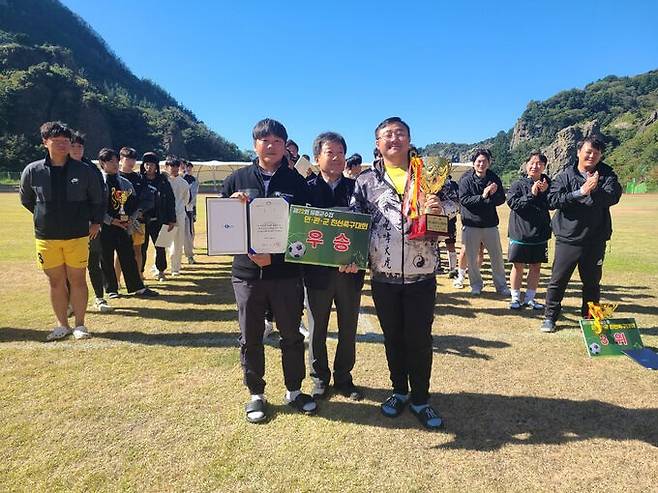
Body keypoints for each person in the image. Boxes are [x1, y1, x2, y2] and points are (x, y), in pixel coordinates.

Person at [351, 117, 445, 430]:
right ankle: (399, 391)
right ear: (377, 144)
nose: (394, 139)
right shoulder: (365, 180)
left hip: (422, 273)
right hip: (383, 275)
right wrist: (351, 257)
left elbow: (455, 202)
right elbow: (355, 221)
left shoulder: (429, 172)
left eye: (400, 133)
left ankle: (421, 398)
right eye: (387, 135)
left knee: (419, 338)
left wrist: (440, 206)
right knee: (393, 337)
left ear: (409, 139)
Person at [220, 118, 314, 424]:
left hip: (286, 274)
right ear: (254, 144)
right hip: (247, 273)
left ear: (285, 145)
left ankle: (294, 389)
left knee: (291, 334)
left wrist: (274, 258)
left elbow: (304, 228)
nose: (270, 146)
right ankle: (256, 394)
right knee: (250, 336)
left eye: (276, 141)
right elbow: (225, 227)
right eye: (264, 140)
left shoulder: (298, 183)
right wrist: (233, 207)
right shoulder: (237, 179)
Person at [19, 121, 103, 340]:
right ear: (45, 143)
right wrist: (43, 216)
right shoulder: (33, 170)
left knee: (77, 279)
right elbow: (27, 199)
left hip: (77, 234)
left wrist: (95, 221)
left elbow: (97, 199)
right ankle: (61, 325)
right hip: (47, 237)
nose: (63, 145)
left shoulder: (83, 170)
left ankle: (80, 325)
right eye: (57, 142)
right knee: (55, 282)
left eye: (66, 141)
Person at [305, 132, 364, 401]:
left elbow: (365, 228)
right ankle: (319, 378)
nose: (337, 157)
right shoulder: (304, 188)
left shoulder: (356, 189)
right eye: (330, 152)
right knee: (317, 328)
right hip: (315, 274)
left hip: (349, 273)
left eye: (341, 152)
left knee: (348, 327)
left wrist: (358, 259)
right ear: (317, 157)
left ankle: (343, 377)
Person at [540, 137, 622, 332]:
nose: (591, 155)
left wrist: (595, 189)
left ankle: (590, 319)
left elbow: (613, 197)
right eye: (588, 151)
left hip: (595, 239)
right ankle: (550, 318)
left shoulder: (607, 175)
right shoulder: (565, 176)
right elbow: (552, 200)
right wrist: (580, 192)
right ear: (578, 152)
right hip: (568, 239)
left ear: (600, 155)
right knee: (558, 281)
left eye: (596, 152)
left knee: (592, 283)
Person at [97, 148, 158, 299]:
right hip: (105, 227)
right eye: (110, 161)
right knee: (106, 258)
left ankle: (137, 287)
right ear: (102, 163)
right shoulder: (98, 182)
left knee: (128, 256)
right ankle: (111, 289)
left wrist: (133, 217)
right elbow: (94, 206)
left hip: (124, 226)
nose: (115, 164)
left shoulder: (125, 182)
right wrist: (111, 220)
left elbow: (136, 203)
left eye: (116, 160)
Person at [69, 131, 111, 313]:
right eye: (73, 146)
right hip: (67, 227)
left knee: (94, 262)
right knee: (69, 266)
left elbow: (101, 198)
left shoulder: (91, 169)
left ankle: (99, 298)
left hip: (91, 226)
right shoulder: (60, 167)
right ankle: (70, 303)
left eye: (80, 146)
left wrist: (97, 222)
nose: (77, 149)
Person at [458, 148, 510, 295]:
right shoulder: (466, 179)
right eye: (478, 161)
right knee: (472, 258)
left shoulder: (494, 178)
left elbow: (501, 199)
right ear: (473, 163)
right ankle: (475, 285)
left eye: (484, 161)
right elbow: (464, 200)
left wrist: (492, 195)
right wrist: (483, 196)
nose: (481, 164)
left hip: (490, 225)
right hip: (471, 224)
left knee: (497, 257)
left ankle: (501, 286)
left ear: (489, 163)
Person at [506, 152, 551, 310]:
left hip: (540, 232)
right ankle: (515, 298)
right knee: (518, 266)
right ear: (526, 165)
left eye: (539, 163)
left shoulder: (547, 183)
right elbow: (513, 204)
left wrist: (545, 192)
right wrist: (532, 194)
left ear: (544, 166)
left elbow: (553, 204)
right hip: (520, 232)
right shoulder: (517, 184)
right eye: (532, 162)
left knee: (536, 266)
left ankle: (530, 298)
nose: (535, 166)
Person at [115, 147, 152, 285]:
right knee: (120, 252)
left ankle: (138, 279)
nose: (131, 162)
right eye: (128, 158)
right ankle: (117, 280)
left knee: (138, 250)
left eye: (133, 159)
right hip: (119, 222)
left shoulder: (139, 178)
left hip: (137, 221)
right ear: (121, 159)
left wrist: (140, 211)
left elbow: (148, 199)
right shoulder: (115, 177)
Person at [139, 152, 176, 281]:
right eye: (146, 164)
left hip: (159, 219)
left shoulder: (163, 181)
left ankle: (161, 271)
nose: (149, 167)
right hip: (141, 220)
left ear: (156, 166)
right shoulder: (139, 180)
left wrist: (172, 219)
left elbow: (171, 200)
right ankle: (140, 271)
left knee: (160, 246)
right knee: (141, 248)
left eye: (152, 164)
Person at [165, 157, 190, 276]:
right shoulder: (164, 182)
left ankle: (175, 268)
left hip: (179, 214)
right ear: (166, 167)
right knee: (163, 241)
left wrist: (179, 209)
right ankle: (159, 267)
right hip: (165, 215)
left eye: (175, 166)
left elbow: (186, 199)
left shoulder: (184, 183)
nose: (173, 169)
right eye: (171, 166)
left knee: (178, 242)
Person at [181, 160, 199, 264]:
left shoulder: (193, 180)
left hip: (187, 210)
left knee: (189, 233)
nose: (186, 169)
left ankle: (189, 256)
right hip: (175, 211)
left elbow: (192, 197)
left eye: (188, 167)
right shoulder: (173, 179)